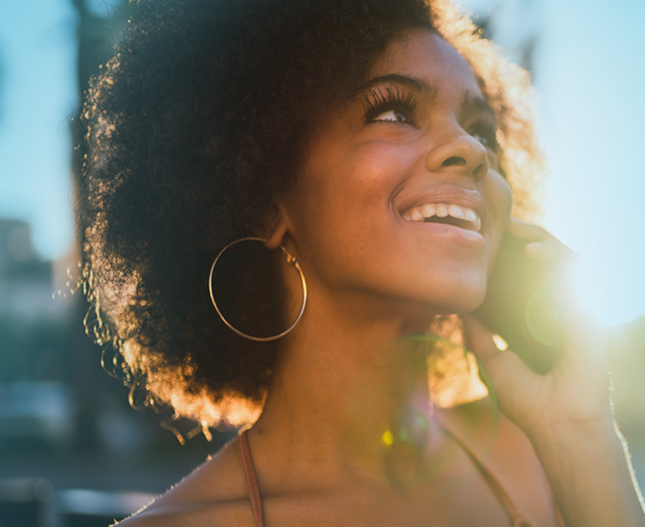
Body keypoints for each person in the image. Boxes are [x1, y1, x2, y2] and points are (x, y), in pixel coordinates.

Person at [78, 0, 645, 525]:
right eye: (394, 112)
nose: (472, 152)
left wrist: (581, 436)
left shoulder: (549, 458)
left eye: (481, 131)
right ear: (263, 198)